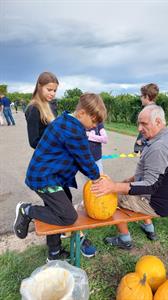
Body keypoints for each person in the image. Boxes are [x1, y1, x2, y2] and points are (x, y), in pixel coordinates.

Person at [13, 93, 107, 261]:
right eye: (93, 121)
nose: (94, 127)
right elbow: (85, 160)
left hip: (53, 176)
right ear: (82, 113)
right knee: (68, 216)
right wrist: (98, 178)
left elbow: (76, 157)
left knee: (58, 210)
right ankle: (26, 210)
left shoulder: (66, 121)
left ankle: (54, 254)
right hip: (45, 178)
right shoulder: (73, 129)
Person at [91, 105, 168, 249]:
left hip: (159, 205)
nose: (139, 129)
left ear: (158, 122)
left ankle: (125, 239)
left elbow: (150, 185)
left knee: (111, 198)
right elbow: (154, 173)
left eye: (144, 124)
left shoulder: (159, 147)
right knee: (123, 189)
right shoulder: (165, 136)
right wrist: (130, 180)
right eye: (139, 123)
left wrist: (114, 187)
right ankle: (149, 229)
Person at [25, 72, 59, 149]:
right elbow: (34, 141)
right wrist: (55, 146)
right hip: (47, 154)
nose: (52, 93)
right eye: (49, 90)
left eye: (54, 90)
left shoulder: (52, 105)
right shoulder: (33, 108)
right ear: (39, 87)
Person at [134, 83, 159, 153]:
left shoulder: (149, 112)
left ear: (147, 96)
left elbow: (154, 132)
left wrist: (142, 140)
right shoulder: (155, 110)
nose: (140, 98)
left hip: (149, 148)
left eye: (141, 95)